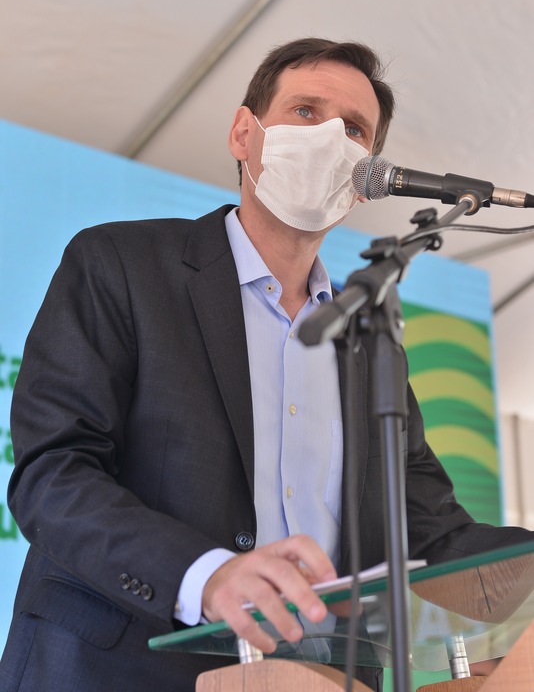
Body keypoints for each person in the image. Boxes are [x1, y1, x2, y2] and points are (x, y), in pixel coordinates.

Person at [0, 37, 531, 692]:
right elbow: (54, 472)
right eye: (305, 111)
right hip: (113, 671)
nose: (329, 138)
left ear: (367, 180)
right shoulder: (120, 265)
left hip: (323, 677)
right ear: (243, 135)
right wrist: (207, 575)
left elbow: (434, 534)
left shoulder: (371, 345)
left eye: (354, 129)